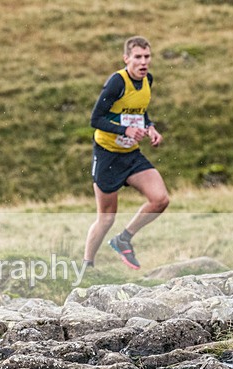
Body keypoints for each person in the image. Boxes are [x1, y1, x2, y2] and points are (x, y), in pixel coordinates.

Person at [83, 35, 169, 270]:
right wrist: (125, 129)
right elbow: (95, 119)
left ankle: (124, 239)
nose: (143, 62)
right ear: (126, 58)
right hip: (107, 155)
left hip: (130, 154)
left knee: (160, 199)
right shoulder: (117, 82)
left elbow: (141, 112)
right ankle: (86, 265)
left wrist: (150, 128)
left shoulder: (148, 80)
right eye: (138, 57)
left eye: (147, 57)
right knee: (106, 218)